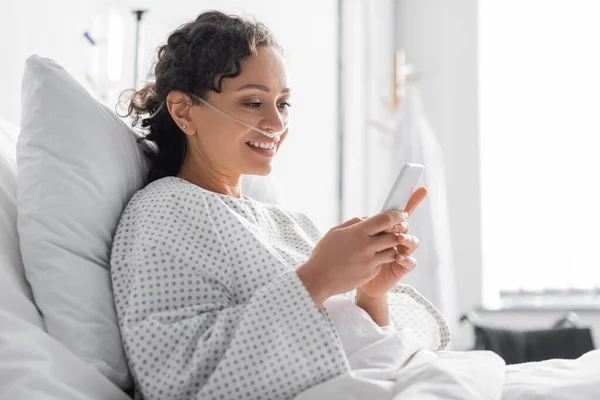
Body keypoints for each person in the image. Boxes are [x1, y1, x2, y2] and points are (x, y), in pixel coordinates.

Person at [110, 10, 447, 400]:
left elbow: (353, 351)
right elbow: (179, 380)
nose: (276, 122)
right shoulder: (164, 210)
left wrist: (370, 293)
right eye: (253, 102)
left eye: (283, 104)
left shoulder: (289, 223)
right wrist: (319, 276)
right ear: (184, 110)